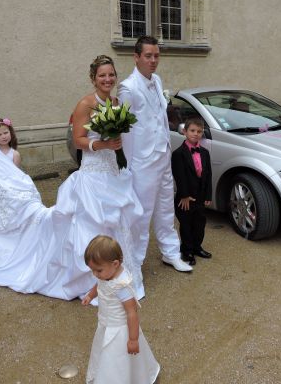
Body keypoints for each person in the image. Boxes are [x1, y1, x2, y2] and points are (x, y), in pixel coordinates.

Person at [46, 55, 146, 300]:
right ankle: (93, 281)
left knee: (119, 220)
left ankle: (119, 276)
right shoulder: (85, 104)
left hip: (113, 171)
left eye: (111, 74)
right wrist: (102, 144)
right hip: (93, 172)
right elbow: (79, 140)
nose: (107, 79)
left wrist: (117, 146)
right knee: (95, 222)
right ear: (93, 78)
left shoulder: (115, 102)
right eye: (102, 75)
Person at [118, 35, 192, 273]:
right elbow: (125, 131)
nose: (153, 61)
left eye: (156, 56)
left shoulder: (157, 80)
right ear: (136, 57)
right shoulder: (128, 88)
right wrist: (129, 166)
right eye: (148, 56)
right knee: (141, 215)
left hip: (163, 157)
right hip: (142, 162)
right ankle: (135, 262)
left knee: (166, 208)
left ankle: (170, 252)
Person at [0, 118, 59, 294]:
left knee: (26, 206)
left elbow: (14, 176)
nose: (3, 136)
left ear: (11, 133)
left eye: (6, 133)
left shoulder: (14, 154)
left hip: (11, 189)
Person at [82, 235, 160, 384]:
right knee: (104, 353)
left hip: (119, 331)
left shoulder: (121, 286)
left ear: (115, 264)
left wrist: (132, 339)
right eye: (92, 270)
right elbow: (99, 285)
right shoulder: (106, 275)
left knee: (116, 357)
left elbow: (132, 313)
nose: (95, 274)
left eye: (98, 270)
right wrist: (90, 296)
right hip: (106, 323)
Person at [171, 117, 213, 266]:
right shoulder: (178, 154)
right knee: (187, 225)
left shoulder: (205, 153)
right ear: (184, 131)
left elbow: (208, 175)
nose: (196, 134)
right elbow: (179, 176)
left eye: (199, 131)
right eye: (192, 130)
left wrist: (208, 195)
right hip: (186, 197)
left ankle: (197, 247)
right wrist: (184, 195)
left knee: (200, 223)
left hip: (200, 196)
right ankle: (187, 250)